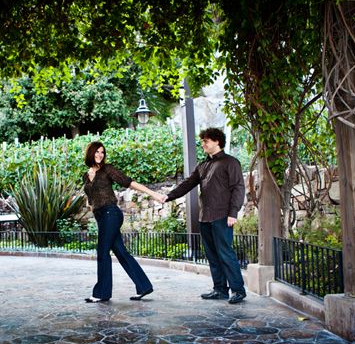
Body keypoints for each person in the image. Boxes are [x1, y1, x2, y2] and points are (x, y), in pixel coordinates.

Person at [156, 127, 247, 304]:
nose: (203, 144)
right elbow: (187, 184)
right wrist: (168, 196)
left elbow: (238, 188)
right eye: (203, 140)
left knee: (226, 253)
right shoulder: (203, 165)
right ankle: (220, 289)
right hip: (205, 217)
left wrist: (233, 212)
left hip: (222, 216)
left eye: (206, 140)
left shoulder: (231, 162)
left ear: (217, 142)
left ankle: (238, 290)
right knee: (212, 255)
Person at [82, 141, 166, 303]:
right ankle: (144, 286)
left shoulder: (108, 169)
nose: (100, 155)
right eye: (97, 152)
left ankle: (101, 293)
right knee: (120, 251)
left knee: (102, 252)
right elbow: (91, 198)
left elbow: (129, 182)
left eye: (102, 152)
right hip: (101, 217)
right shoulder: (86, 175)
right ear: (90, 153)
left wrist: (154, 195)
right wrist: (91, 205)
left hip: (111, 214)